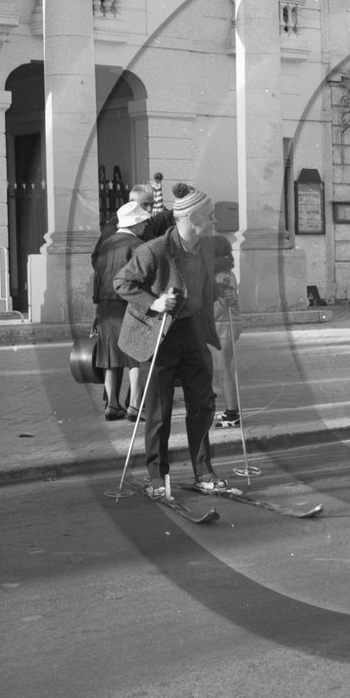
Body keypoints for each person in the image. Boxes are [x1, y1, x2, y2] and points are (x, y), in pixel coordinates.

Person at [114, 183, 228, 496]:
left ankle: (204, 472)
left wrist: (222, 293)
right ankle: (156, 476)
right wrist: (154, 302)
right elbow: (121, 282)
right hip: (158, 335)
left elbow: (201, 285)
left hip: (193, 332)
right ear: (191, 219)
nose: (215, 220)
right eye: (210, 215)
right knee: (159, 411)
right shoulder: (154, 250)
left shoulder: (205, 247)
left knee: (203, 403)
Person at [92, 200, 150, 419]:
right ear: (134, 224)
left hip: (106, 307)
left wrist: (96, 307)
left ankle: (112, 405)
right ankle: (135, 405)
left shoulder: (106, 244)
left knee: (110, 357)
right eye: (142, 222)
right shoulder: (139, 245)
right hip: (130, 304)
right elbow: (144, 278)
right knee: (135, 356)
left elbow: (96, 276)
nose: (145, 225)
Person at [211, 235, 242, 427]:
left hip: (227, 324)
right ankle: (229, 410)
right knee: (220, 370)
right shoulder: (221, 272)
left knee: (224, 370)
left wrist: (204, 320)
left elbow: (222, 305)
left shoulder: (224, 275)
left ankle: (233, 413)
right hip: (222, 324)